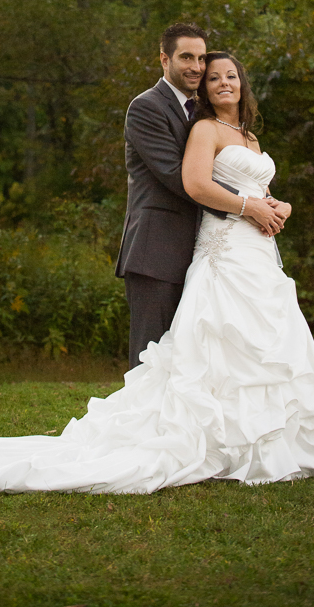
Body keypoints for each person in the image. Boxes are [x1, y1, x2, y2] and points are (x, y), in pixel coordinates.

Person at [0, 49, 314, 489]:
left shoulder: (250, 137)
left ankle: (268, 448)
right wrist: (249, 208)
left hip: (256, 254)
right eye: (213, 77)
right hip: (225, 253)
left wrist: (275, 204)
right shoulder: (204, 129)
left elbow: (256, 185)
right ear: (202, 88)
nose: (224, 82)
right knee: (215, 345)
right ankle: (211, 444)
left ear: (243, 84)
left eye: (231, 76)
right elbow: (196, 184)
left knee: (263, 346)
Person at [115, 23, 284, 369]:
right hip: (157, 251)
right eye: (186, 57)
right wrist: (248, 205)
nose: (196, 66)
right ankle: (142, 424)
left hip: (206, 250)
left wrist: (269, 202)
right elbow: (179, 178)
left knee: (194, 359)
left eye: (201, 58)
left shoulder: (204, 115)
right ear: (164, 59)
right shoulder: (146, 108)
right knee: (152, 358)